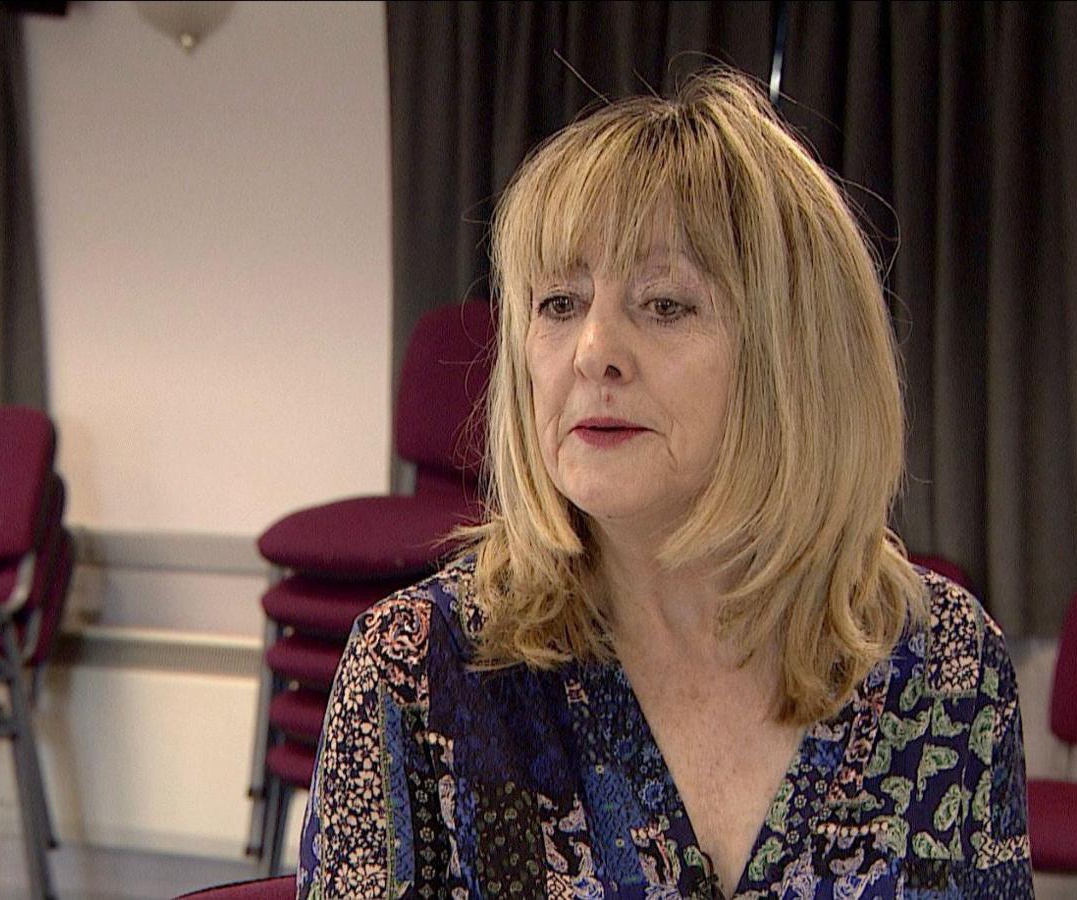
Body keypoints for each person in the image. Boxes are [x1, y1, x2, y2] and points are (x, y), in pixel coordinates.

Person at [298, 68, 1032, 899]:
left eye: (665, 304)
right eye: (560, 301)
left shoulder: (947, 667)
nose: (593, 351)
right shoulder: (416, 674)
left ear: (797, 360)